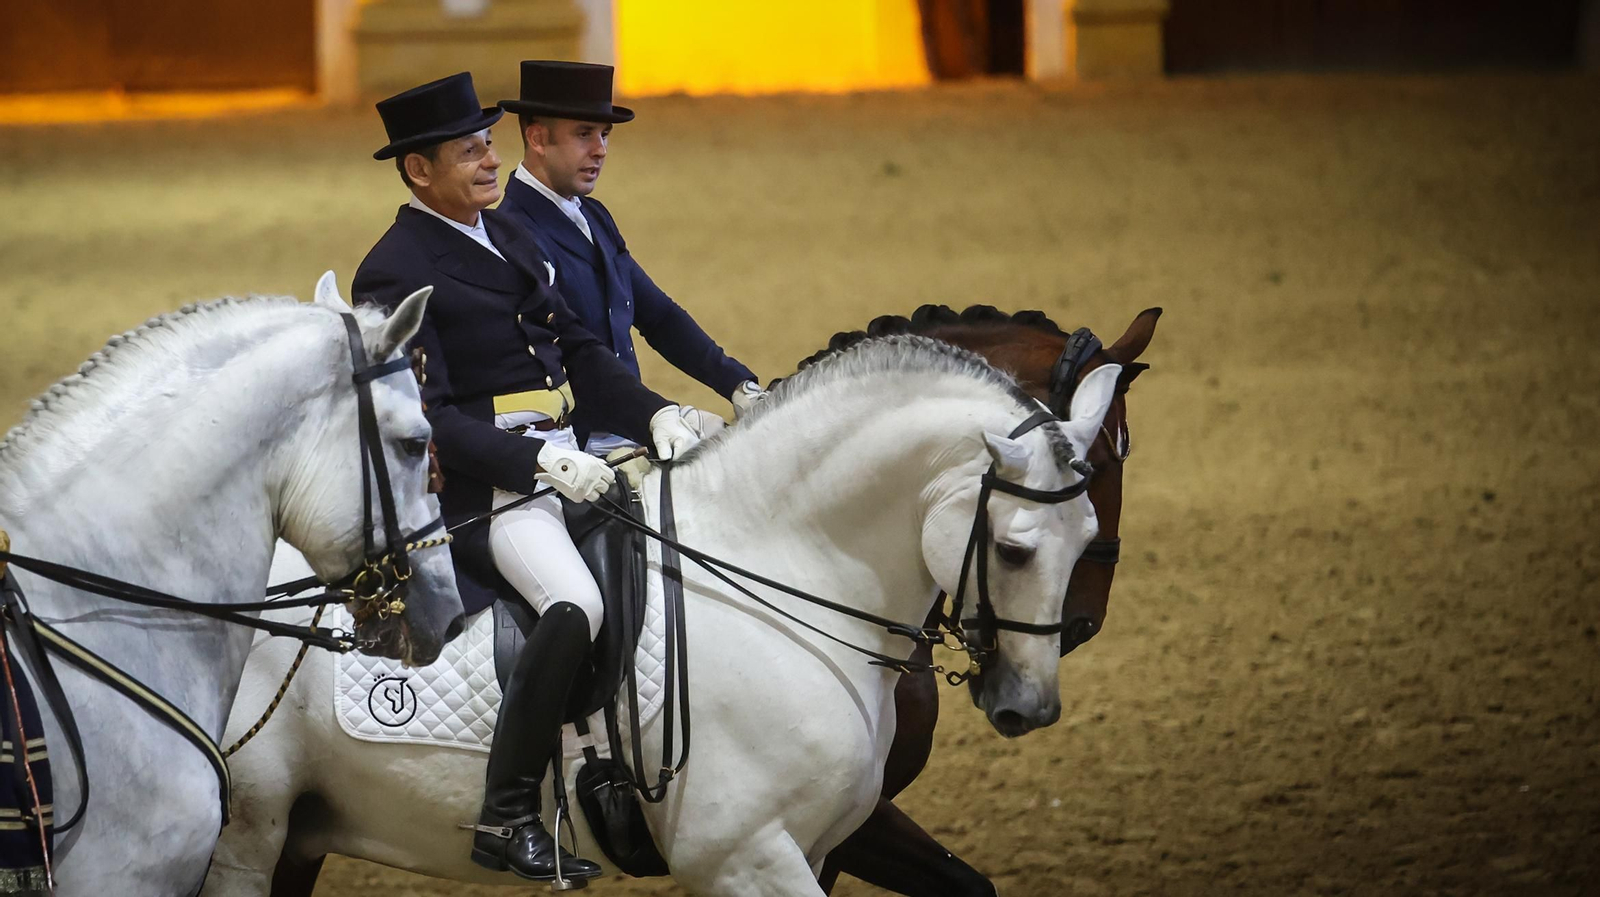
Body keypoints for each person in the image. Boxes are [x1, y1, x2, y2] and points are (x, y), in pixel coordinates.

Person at [352, 72, 700, 883]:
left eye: (489, 146)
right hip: (485, 490)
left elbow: (580, 350)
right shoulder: (395, 267)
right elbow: (429, 414)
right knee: (574, 603)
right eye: (471, 151)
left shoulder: (505, 234)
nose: (489, 162)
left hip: (574, 454)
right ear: (418, 170)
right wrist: (536, 459)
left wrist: (654, 413)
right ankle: (507, 812)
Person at [496, 60, 764, 443]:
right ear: (538, 139)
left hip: (632, 430)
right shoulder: (515, 233)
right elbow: (575, 357)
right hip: (579, 447)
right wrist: (660, 413)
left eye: (604, 135)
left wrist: (737, 385)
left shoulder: (593, 214)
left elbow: (658, 315)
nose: (600, 150)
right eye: (584, 134)